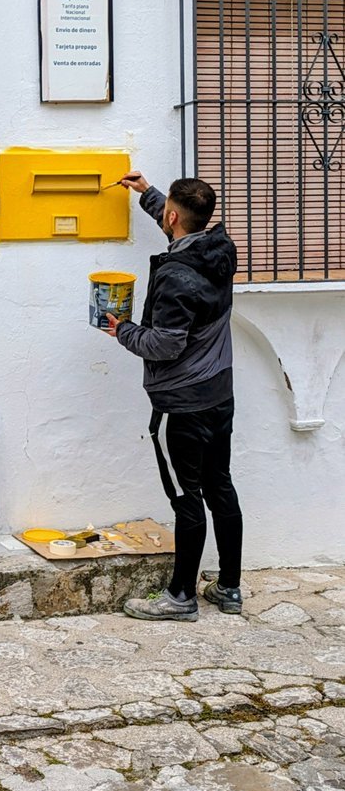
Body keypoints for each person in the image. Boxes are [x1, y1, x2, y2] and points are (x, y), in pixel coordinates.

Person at [105, 172, 243, 621]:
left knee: (188, 497)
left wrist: (119, 328)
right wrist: (147, 194)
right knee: (219, 485)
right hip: (219, 394)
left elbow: (165, 344)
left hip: (182, 403)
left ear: (172, 217)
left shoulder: (176, 279)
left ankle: (181, 596)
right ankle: (228, 588)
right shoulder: (220, 252)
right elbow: (183, 226)